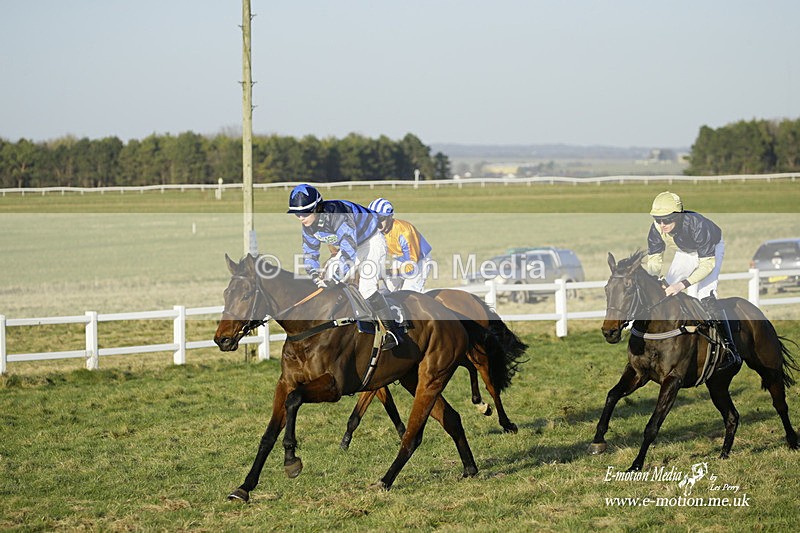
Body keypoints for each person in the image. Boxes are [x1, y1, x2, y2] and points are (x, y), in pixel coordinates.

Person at [288, 184, 399, 349]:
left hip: (371, 241)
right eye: (297, 214)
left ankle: (391, 331)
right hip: (354, 246)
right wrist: (314, 275)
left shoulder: (338, 214)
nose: (301, 218)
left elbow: (348, 251)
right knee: (327, 278)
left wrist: (334, 279)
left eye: (304, 213)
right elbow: (310, 253)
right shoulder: (308, 226)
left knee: (367, 288)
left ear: (317, 208)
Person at [644, 191, 740, 368]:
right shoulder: (656, 227)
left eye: (666, 220)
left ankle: (729, 349)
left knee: (704, 294)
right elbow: (655, 259)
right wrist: (655, 278)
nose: (662, 225)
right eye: (658, 220)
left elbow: (706, 265)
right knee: (665, 292)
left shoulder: (697, 225)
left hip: (710, 252)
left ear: (678, 217)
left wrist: (682, 284)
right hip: (685, 252)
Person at [368, 198, 433, 293]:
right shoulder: (374, 230)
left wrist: (386, 272)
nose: (377, 223)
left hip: (419, 261)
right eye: (373, 218)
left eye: (381, 218)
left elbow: (411, 268)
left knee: (408, 294)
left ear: (390, 216)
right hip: (400, 259)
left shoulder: (404, 232)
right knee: (384, 292)